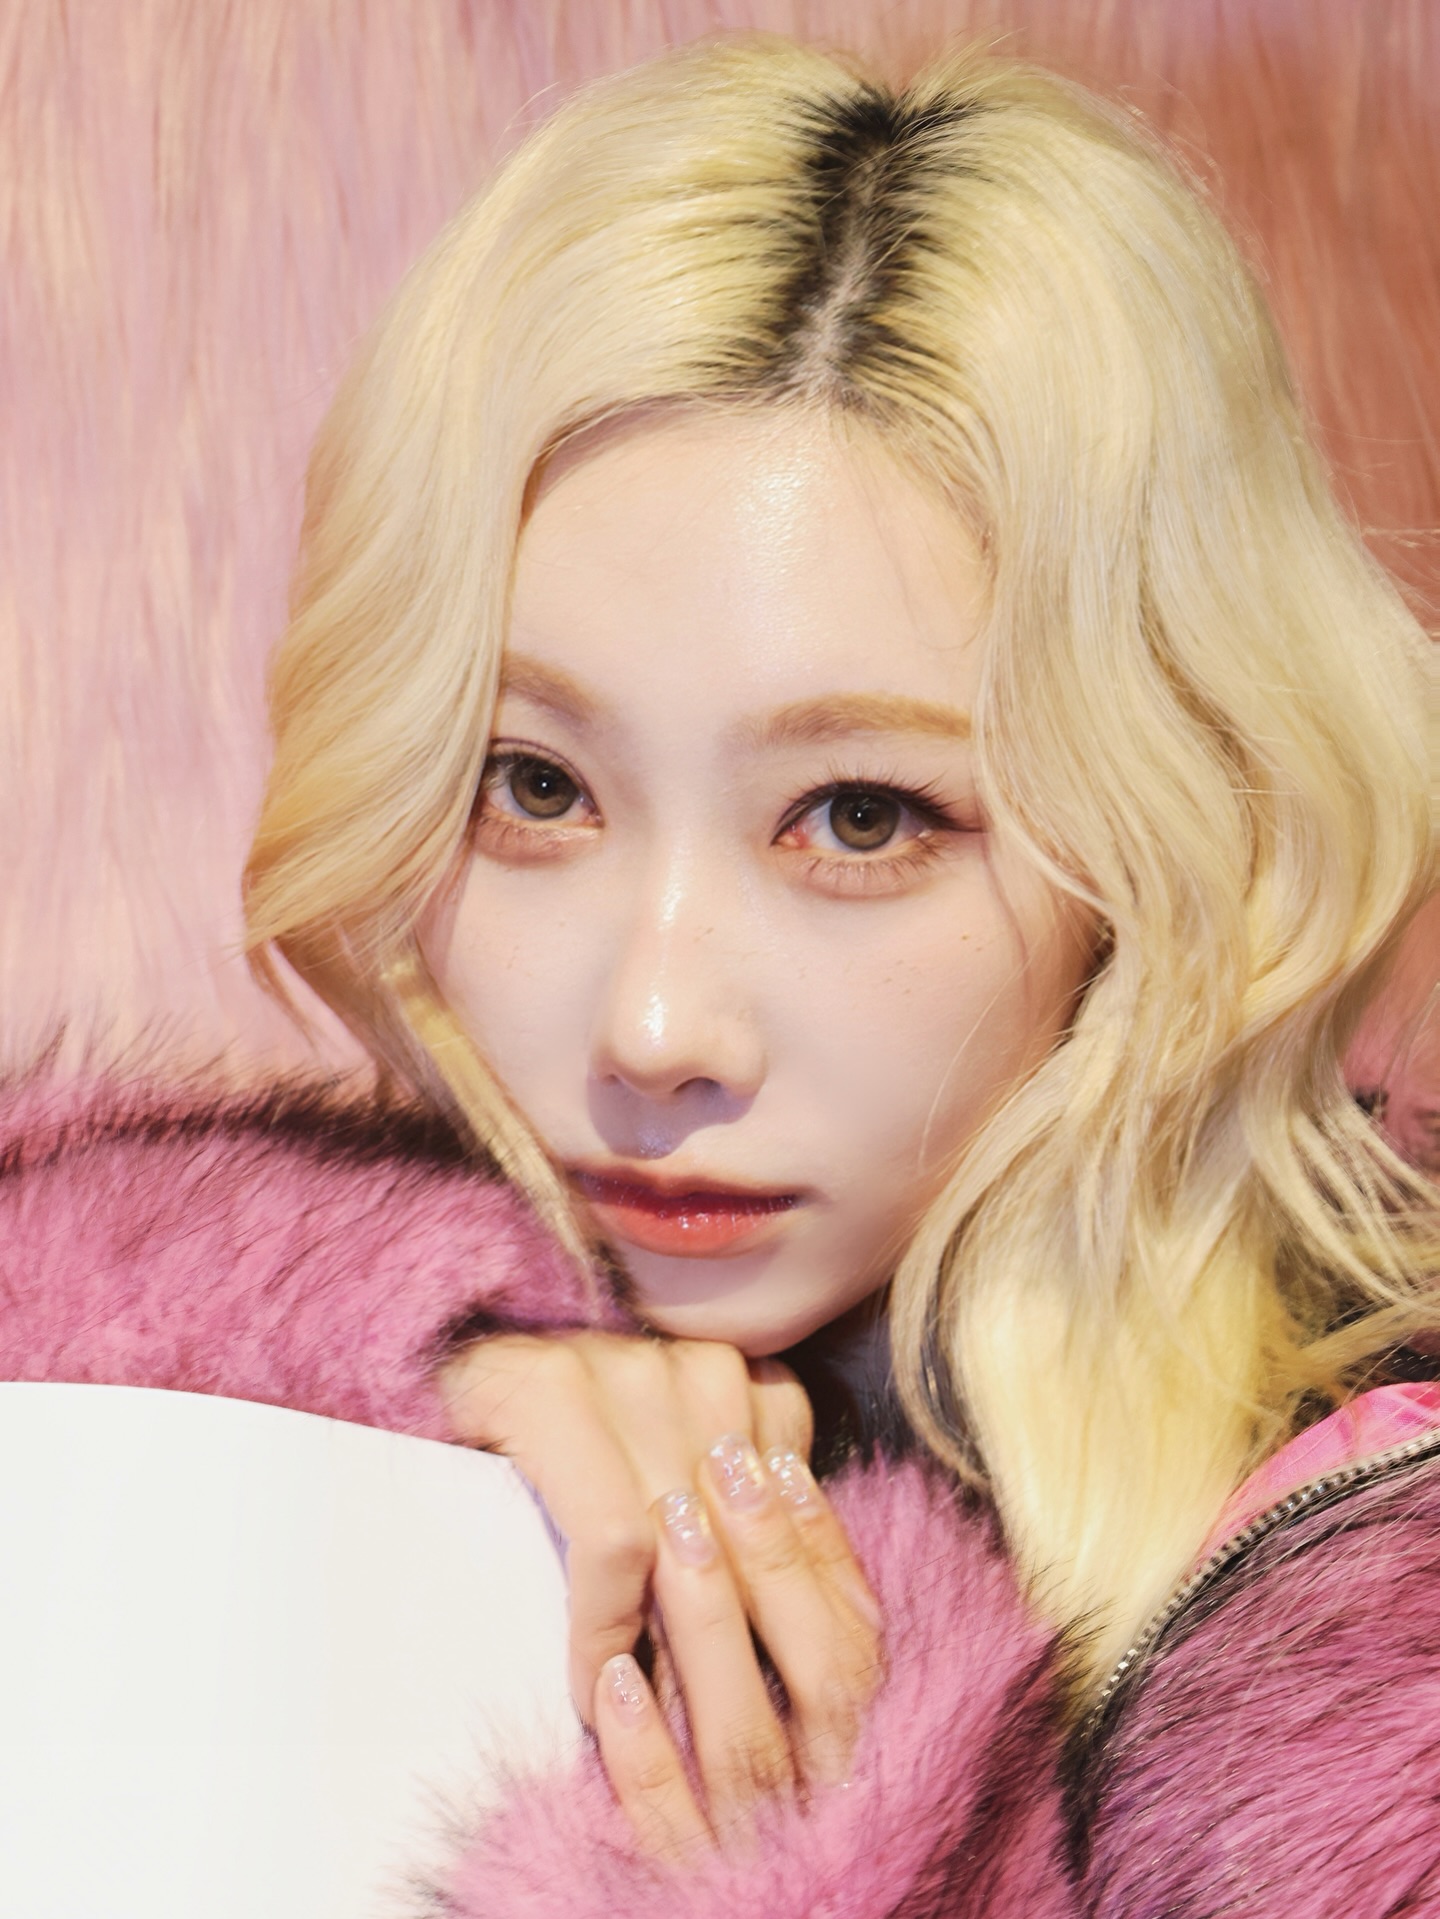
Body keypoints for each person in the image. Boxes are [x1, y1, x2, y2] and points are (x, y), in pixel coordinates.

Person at [3, 32, 1437, 1916]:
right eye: (534, 787)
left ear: (1165, 832)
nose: (654, 1030)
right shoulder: (297, 1409)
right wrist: (390, 1412)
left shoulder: (1363, 1673)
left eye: (860, 816)